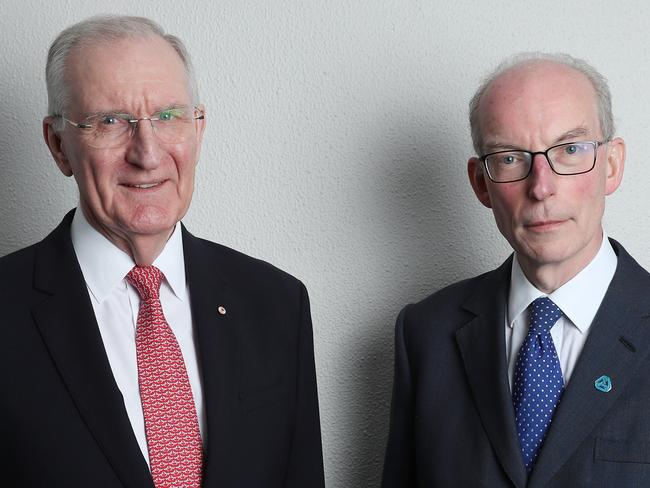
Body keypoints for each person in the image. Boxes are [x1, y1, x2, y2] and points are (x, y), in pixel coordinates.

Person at [0, 15, 324, 487]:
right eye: (111, 121)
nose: (147, 152)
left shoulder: (276, 304)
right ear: (59, 145)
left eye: (169, 116)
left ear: (198, 129)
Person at [382, 53, 650, 487]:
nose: (541, 186)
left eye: (569, 150)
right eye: (510, 158)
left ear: (612, 165)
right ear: (481, 183)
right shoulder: (425, 333)